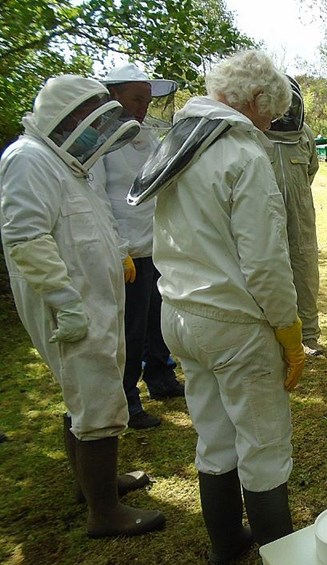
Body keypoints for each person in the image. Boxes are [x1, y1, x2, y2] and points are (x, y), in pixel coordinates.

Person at [128, 49, 303, 565]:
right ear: (252, 101)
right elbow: (266, 262)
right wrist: (288, 329)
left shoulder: (176, 143)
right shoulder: (243, 156)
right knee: (264, 441)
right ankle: (283, 563)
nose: (269, 122)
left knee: (213, 431)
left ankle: (226, 545)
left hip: (177, 313)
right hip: (233, 323)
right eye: (268, 111)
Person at [0, 75, 165, 537]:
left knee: (89, 392)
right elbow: (25, 239)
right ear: (67, 118)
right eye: (85, 121)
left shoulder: (69, 163)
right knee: (97, 400)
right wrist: (64, 302)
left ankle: (93, 485)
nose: (94, 132)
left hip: (93, 296)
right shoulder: (28, 160)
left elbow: (93, 220)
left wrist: (117, 256)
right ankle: (104, 514)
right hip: (70, 304)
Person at [92, 63, 184, 431]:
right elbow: (96, 197)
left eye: (147, 99)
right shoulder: (98, 141)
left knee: (157, 319)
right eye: (136, 98)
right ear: (113, 97)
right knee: (129, 330)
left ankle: (161, 379)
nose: (143, 106)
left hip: (155, 244)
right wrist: (118, 249)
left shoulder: (146, 135)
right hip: (125, 250)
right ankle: (127, 400)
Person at [265, 75, 324, 356]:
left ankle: (309, 337)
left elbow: (310, 170)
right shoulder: (253, 135)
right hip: (264, 218)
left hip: (301, 217)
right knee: (270, 271)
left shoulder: (306, 134)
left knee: (305, 273)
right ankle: (272, 335)